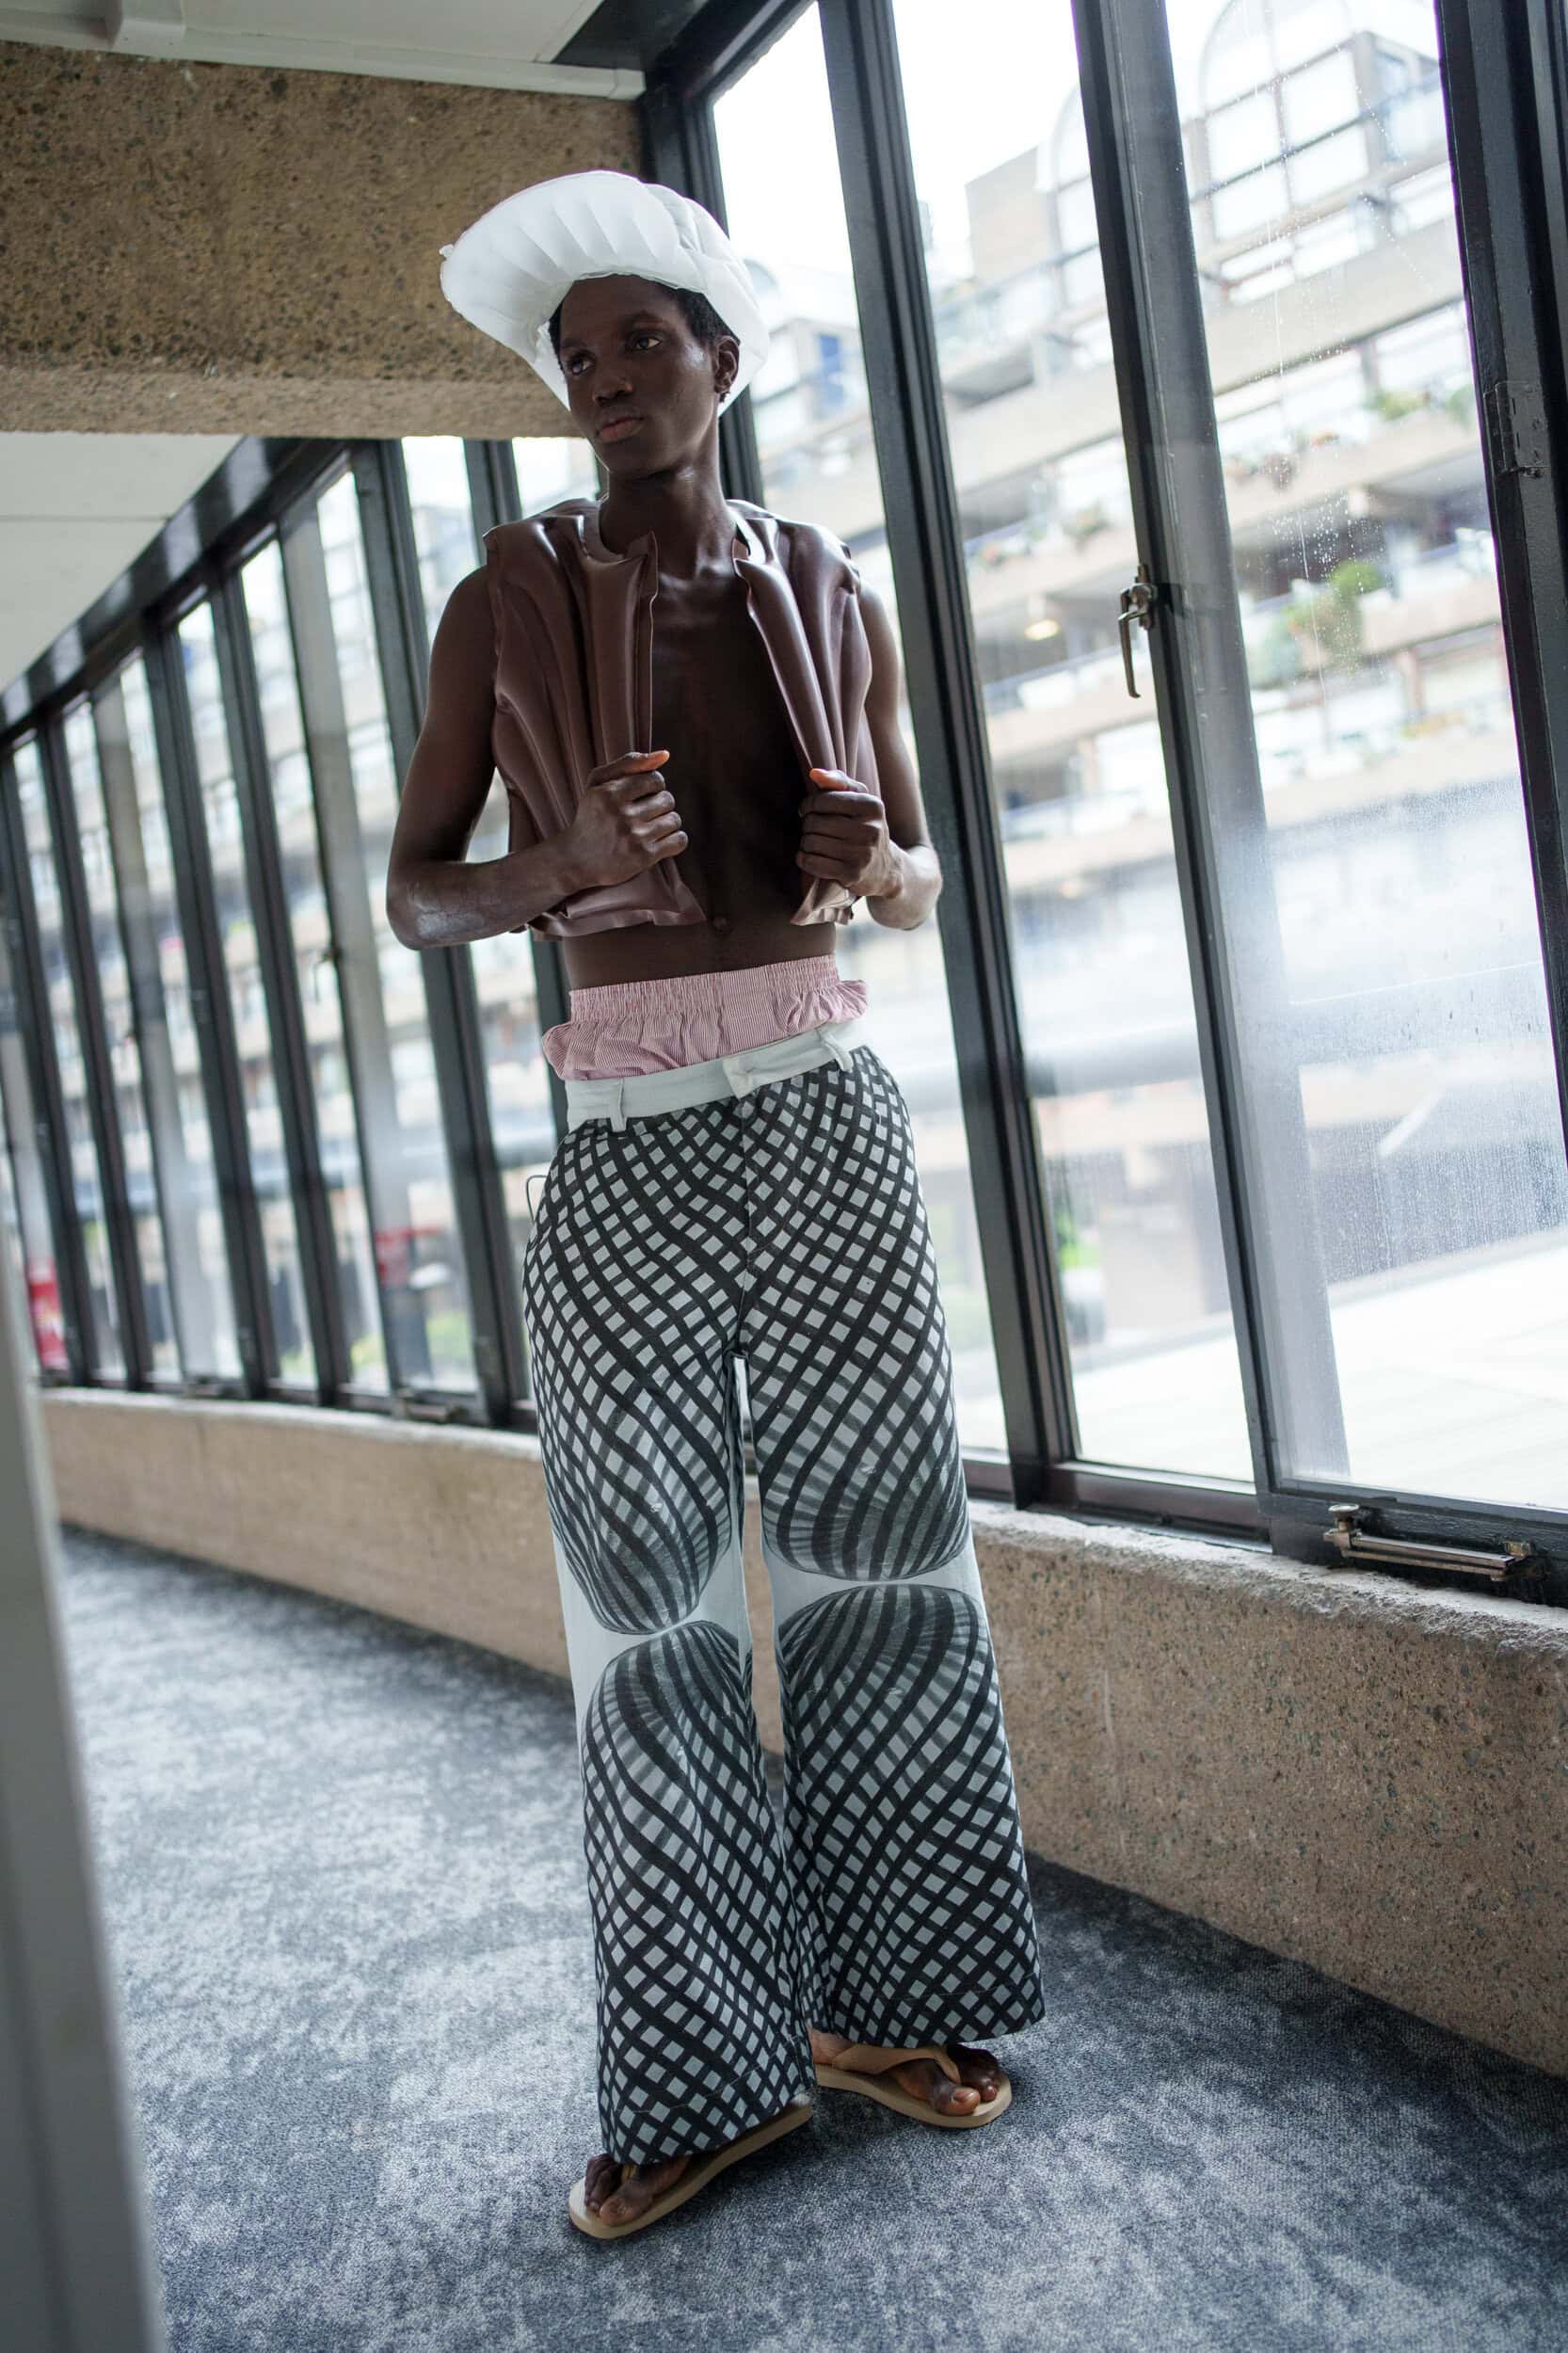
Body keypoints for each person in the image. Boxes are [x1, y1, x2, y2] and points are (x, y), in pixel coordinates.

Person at [389, 169, 1047, 2239]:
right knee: (643, 1614)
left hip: (825, 1112)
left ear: (722, 361)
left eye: (639, 342)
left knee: (889, 1563)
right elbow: (416, 895)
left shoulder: (827, 582)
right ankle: (701, 2077)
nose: (602, 378)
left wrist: (876, 862)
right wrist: (564, 863)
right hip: (624, 1140)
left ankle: (889, 2006)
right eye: (573, 355)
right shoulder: (500, 599)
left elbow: (919, 879)